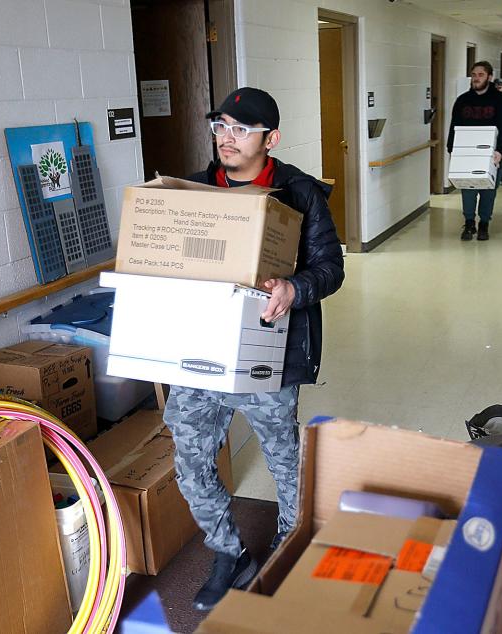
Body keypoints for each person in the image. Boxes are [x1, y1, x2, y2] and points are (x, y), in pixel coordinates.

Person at [164, 86, 345, 611]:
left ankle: (287, 548)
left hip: (271, 352)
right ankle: (229, 552)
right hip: (201, 352)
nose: (227, 137)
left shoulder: (299, 193)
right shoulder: (193, 193)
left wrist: (294, 289)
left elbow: (330, 268)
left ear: (272, 138)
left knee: (283, 460)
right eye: (221, 125)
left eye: (242, 128)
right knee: (190, 459)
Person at [448, 61, 502, 241]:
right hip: (466, 153)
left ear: (489, 77)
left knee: (488, 190)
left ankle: (484, 223)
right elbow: (454, 126)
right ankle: (469, 223)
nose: (476, 78)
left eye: (480, 75)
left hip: (491, 153)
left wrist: (500, 151)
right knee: (467, 188)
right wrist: (452, 150)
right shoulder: (463, 100)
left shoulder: (500, 100)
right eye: (474, 75)